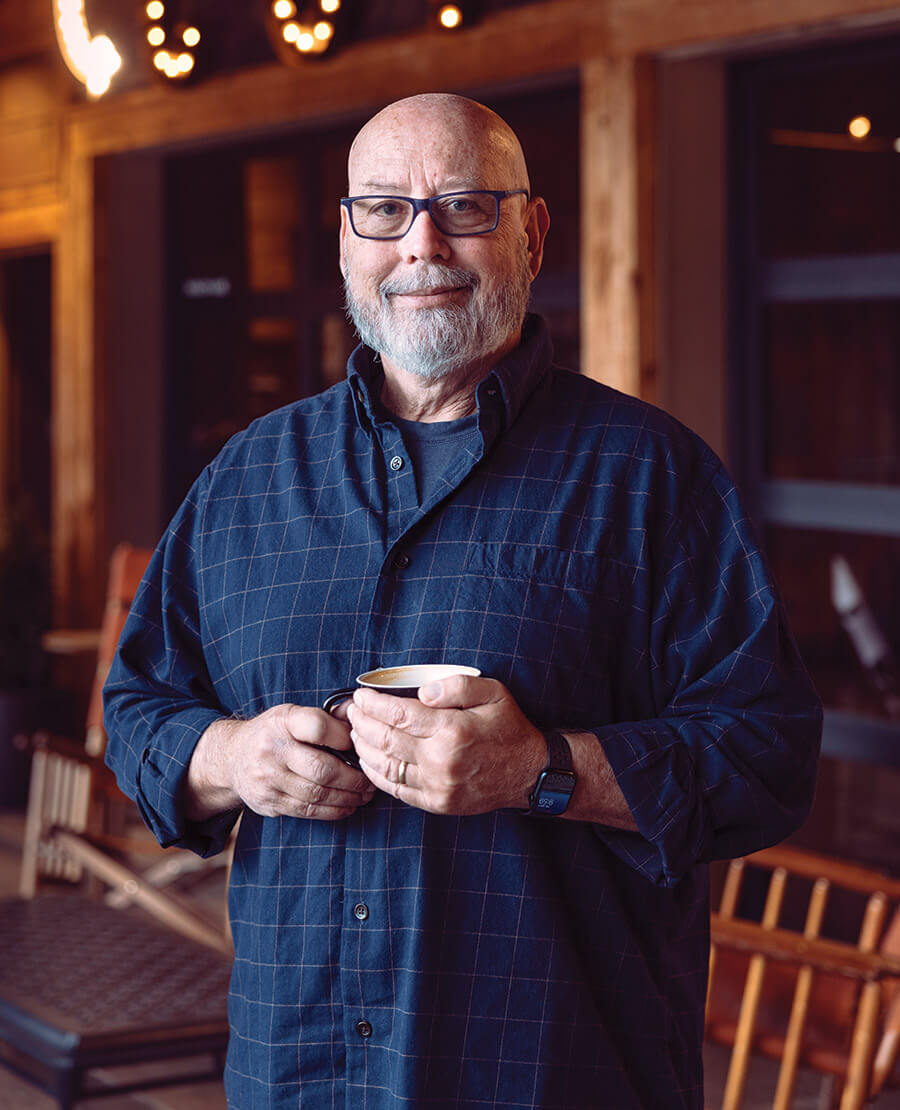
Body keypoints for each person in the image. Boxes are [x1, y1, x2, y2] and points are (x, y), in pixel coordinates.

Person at [104, 93, 822, 1109]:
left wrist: (543, 768)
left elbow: (769, 755)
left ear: (531, 232)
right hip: (297, 1076)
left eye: (465, 206)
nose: (423, 242)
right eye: (386, 210)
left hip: (551, 1079)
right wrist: (227, 757)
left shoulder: (651, 476)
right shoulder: (248, 478)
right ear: (349, 240)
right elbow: (135, 710)